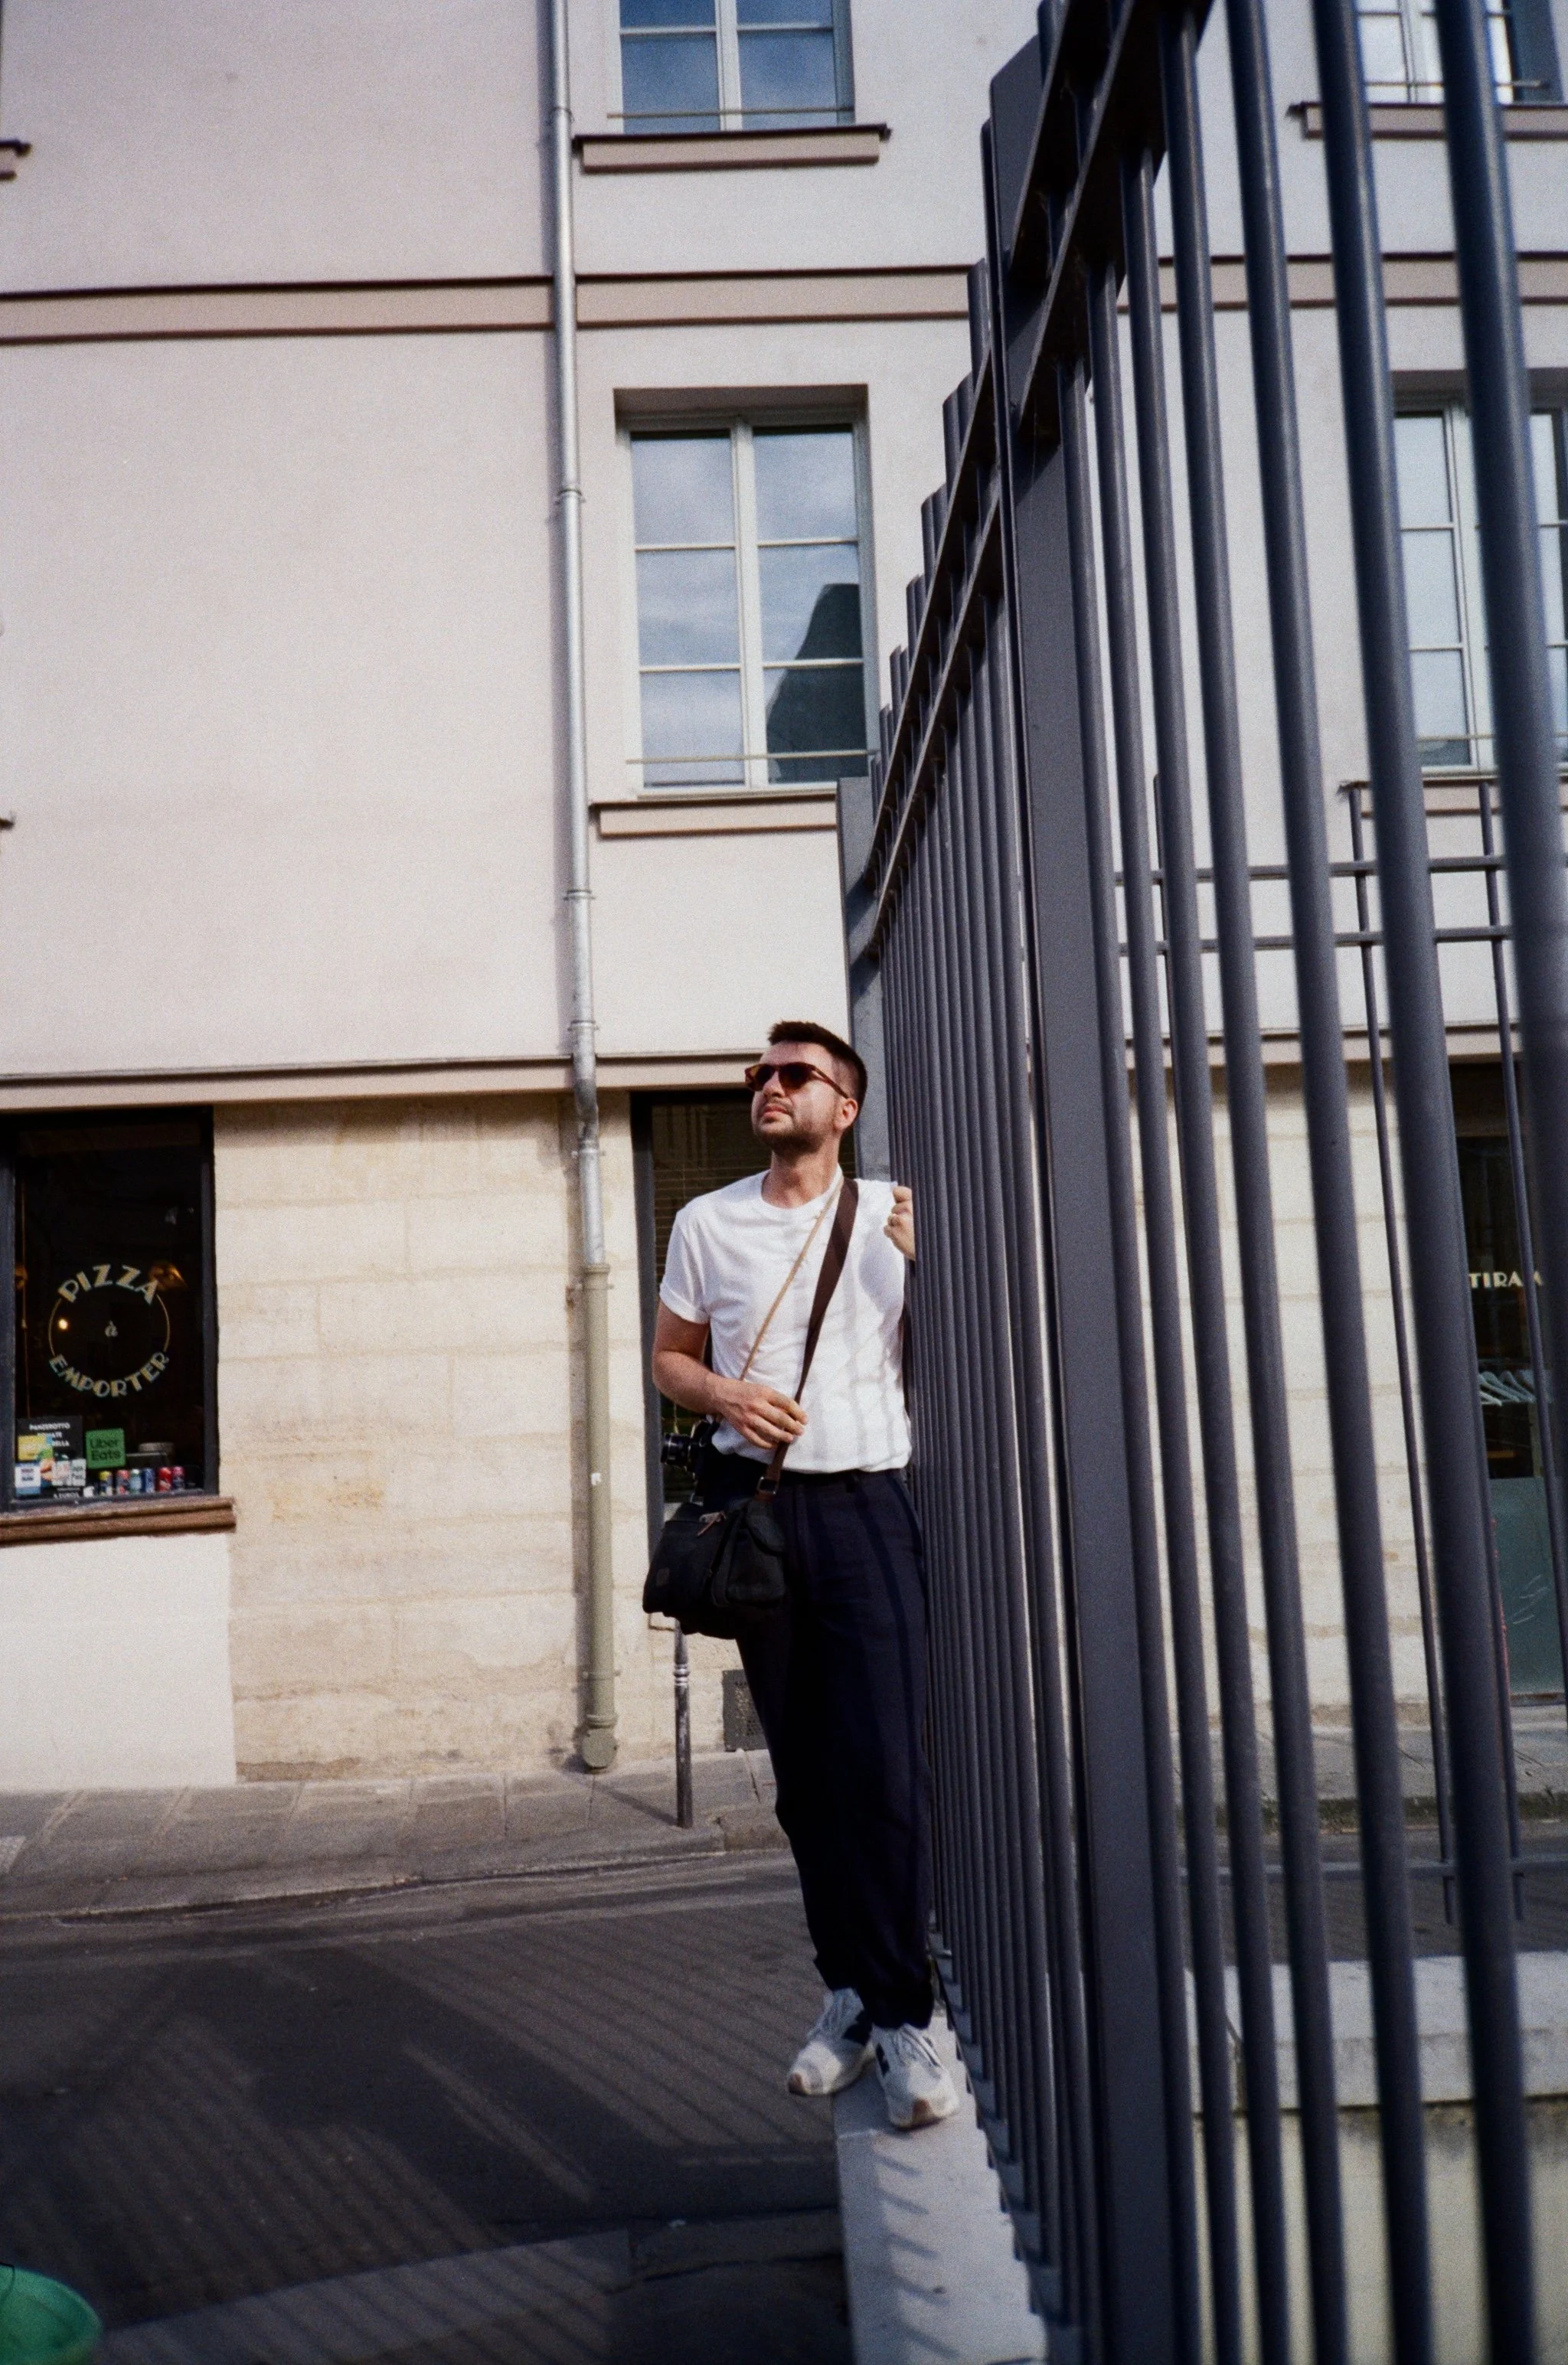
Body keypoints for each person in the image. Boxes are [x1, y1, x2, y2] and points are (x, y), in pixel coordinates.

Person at [652, 1019, 958, 2131]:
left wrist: (935, 1265)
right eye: (761, 1074)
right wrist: (728, 1395)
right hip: (765, 1513)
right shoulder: (708, 1220)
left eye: (796, 1075)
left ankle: (907, 2014)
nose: (770, 1087)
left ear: (846, 1106)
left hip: (871, 1509)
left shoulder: (892, 1215)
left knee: (886, 1773)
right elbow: (669, 1358)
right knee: (806, 1783)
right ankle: (852, 1997)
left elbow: (969, 1342)